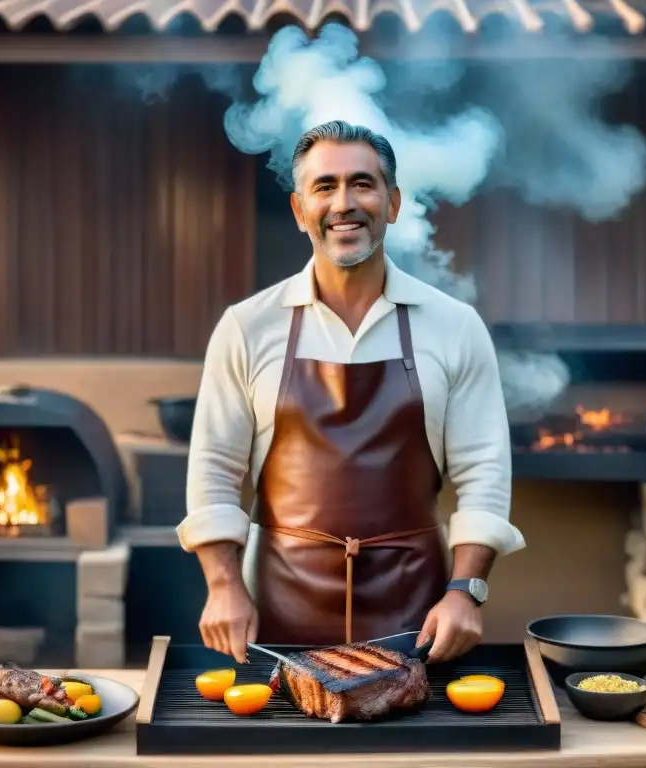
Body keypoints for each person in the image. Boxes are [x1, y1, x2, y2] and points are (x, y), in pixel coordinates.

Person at [177, 119, 525, 665]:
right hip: (274, 616)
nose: (345, 202)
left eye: (363, 184)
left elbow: (484, 472)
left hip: (416, 619)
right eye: (325, 186)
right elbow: (215, 468)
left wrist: (465, 591)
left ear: (393, 204)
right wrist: (223, 585)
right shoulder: (247, 326)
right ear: (299, 210)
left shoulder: (455, 326)